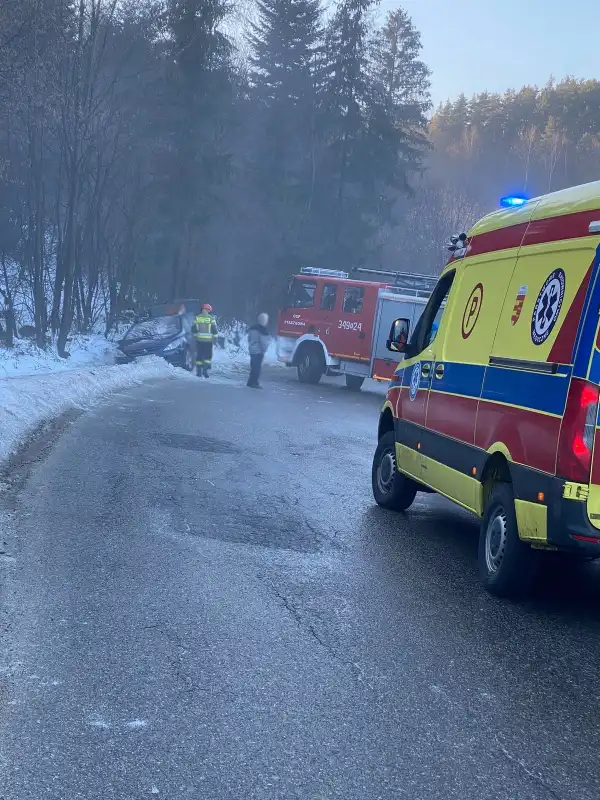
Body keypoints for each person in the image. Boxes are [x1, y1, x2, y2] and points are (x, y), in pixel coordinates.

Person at [192, 304, 218, 378]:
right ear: (209, 310)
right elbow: (214, 330)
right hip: (208, 341)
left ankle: (199, 372)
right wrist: (215, 338)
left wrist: (195, 337)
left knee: (199, 356)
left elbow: (193, 329)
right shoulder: (211, 318)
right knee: (208, 356)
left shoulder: (197, 318)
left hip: (199, 340)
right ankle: (205, 371)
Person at [247, 313, 270, 388]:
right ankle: (254, 383)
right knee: (257, 368)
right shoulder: (263, 330)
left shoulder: (252, 328)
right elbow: (264, 343)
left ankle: (250, 382)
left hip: (252, 350)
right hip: (259, 351)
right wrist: (264, 350)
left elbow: (249, 339)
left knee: (253, 366)